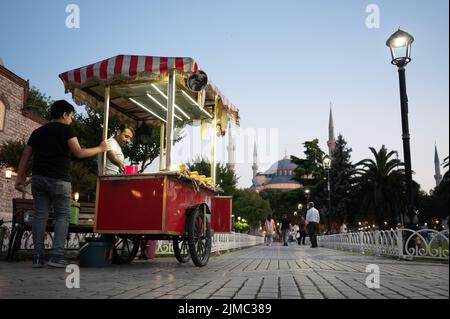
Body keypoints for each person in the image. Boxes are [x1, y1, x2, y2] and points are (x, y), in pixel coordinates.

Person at [15, 100, 107, 268]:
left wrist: (19, 177)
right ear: (64, 114)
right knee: (62, 216)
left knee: (40, 216)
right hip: (59, 180)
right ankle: (57, 256)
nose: (71, 120)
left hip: (38, 179)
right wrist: (100, 149)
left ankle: (37, 257)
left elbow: (25, 156)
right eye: (71, 116)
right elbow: (78, 152)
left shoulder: (38, 132)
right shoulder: (66, 129)